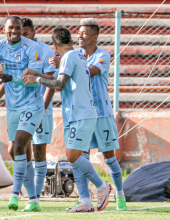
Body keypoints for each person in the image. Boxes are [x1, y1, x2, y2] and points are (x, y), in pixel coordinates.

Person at [22, 27, 112, 213]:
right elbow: (58, 78)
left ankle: (102, 187)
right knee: (75, 158)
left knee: (72, 156)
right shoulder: (78, 54)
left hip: (81, 114)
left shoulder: (69, 57)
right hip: (76, 115)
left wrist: (36, 80)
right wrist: (37, 75)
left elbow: (59, 84)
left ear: (54, 46)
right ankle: (85, 201)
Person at [65, 18, 127, 212]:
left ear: (95, 36)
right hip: (83, 114)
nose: (79, 36)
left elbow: (88, 73)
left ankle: (120, 195)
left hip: (102, 113)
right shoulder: (74, 55)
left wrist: (65, 64)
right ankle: (85, 200)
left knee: (109, 158)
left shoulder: (103, 55)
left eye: (84, 33)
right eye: (79, 32)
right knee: (80, 157)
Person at [0, 15, 44, 212]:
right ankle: (34, 199)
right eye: (11, 28)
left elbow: (33, 78)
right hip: (13, 107)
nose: (15, 31)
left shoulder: (32, 48)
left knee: (18, 146)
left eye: (18, 28)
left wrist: (9, 77)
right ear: (4, 29)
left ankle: (15, 195)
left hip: (32, 106)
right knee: (18, 151)